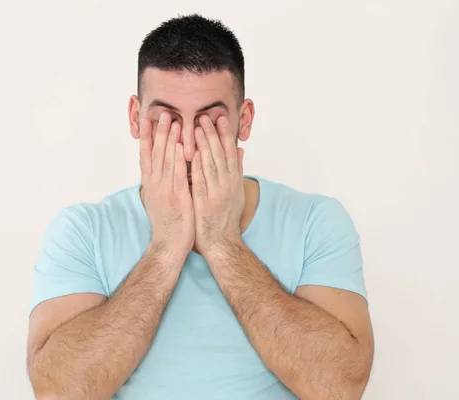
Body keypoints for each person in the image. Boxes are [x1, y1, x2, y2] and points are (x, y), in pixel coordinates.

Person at [26, 14, 374, 400]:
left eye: (210, 123)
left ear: (245, 120)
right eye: (166, 123)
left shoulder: (316, 222)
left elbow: (341, 387)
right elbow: (60, 392)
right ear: (134, 118)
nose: (189, 149)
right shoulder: (82, 230)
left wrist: (223, 243)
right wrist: (165, 249)